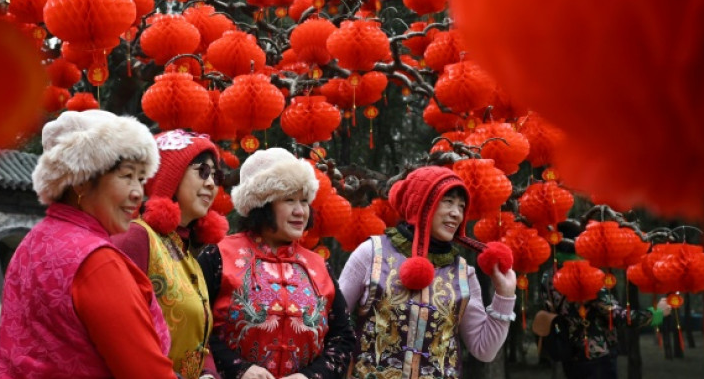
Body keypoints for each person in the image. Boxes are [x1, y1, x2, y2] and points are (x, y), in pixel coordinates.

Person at [0, 110, 178, 378]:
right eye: (126, 176)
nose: (138, 193)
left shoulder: (30, 244)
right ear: (81, 181)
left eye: (141, 179)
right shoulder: (96, 261)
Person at [339, 165, 517, 379]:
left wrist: (505, 295)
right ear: (420, 203)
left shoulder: (464, 273)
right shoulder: (371, 253)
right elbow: (333, 324)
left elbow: (484, 350)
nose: (456, 213)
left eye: (461, 206)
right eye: (448, 201)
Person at [197, 147, 356, 379]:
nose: (300, 211)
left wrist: (310, 376)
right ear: (261, 203)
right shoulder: (218, 256)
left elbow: (343, 338)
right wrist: (239, 369)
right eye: (289, 200)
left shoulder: (319, 266)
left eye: (304, 201)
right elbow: (196, 327)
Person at [113, 129, 230, 379]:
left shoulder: (190, 256)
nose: (211, 183)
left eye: (216, 175)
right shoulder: (137, 237)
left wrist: (208, 373)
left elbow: (200, 339)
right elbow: (117, 332)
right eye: (202, 171)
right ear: (170, 176)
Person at [536, 220, 670, 379]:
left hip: (569, 354)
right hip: (596, 357)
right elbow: (618, 316)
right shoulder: (588, 276)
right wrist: (656, 314)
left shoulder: (548, 276)